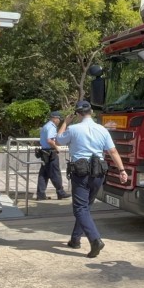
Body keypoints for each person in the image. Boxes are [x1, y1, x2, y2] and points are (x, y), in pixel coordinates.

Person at [55, 100, 128, 257]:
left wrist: (65, 123)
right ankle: (75, 239)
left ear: (78, 114)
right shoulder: (102, 129)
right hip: (98, 172)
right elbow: (113, 151)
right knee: (85, 208)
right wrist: (122, 170)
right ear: (91, 112)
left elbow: (58, 139)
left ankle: (95, 240)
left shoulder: (73, 129)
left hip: (80, 172)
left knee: (80, 208)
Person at [36, 111, 69, 201]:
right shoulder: (51, 127)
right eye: (58, 119)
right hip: (50, 153)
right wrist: (57, 148)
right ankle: (60, 192)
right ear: (54, 118)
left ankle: (41, 194)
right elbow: (50, 140)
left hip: (44, 152)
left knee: (44, 174)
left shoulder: (46, 126)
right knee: (55, 173)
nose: (59, 121)